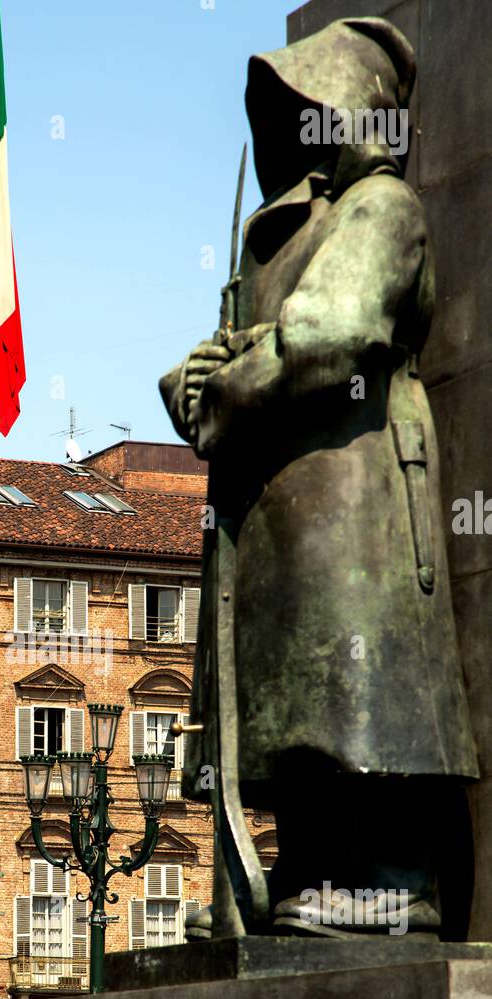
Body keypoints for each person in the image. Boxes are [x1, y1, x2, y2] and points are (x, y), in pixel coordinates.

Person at [160, 19, 478, 936]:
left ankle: (394, 881)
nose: (300, 132)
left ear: (357, 117)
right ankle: (308, 868)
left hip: (359, 486)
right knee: (294, 696)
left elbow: (332, 333)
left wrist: (229, 386)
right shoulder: (294, 233)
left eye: (314, 111)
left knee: (357, 686)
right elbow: (252, 354)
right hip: (291, 498)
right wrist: (196, 379)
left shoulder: (383, 208)